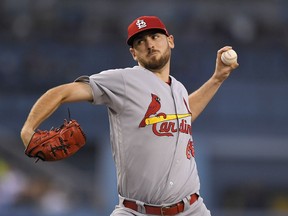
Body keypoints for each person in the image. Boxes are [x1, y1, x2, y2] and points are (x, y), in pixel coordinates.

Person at [21, 16, 239, 215]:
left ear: (170, 41)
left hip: (192, 209)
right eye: (140, 42)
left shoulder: (179, 88)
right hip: (136, 211)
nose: (150, 44)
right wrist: (28, 129)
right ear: (133, 53)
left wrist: (217, 79)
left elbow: (182, 117)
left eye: (155, 36)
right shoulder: (124, 80)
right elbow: (60, 93)